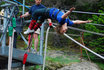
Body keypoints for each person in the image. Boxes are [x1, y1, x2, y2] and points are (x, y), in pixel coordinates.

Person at [26, 7, 92, 34]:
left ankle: (30, 29)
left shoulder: (61, 21)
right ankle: (33, 29)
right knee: (40, 20)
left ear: (61, 27)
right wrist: (86, 21)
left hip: (48, 12)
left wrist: (70, 11)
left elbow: (64, 15)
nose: (65, 30)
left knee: (35, 13)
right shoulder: (68, 23)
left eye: (63, 30)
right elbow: (77, 22)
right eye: (65, 31)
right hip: (48, 15)